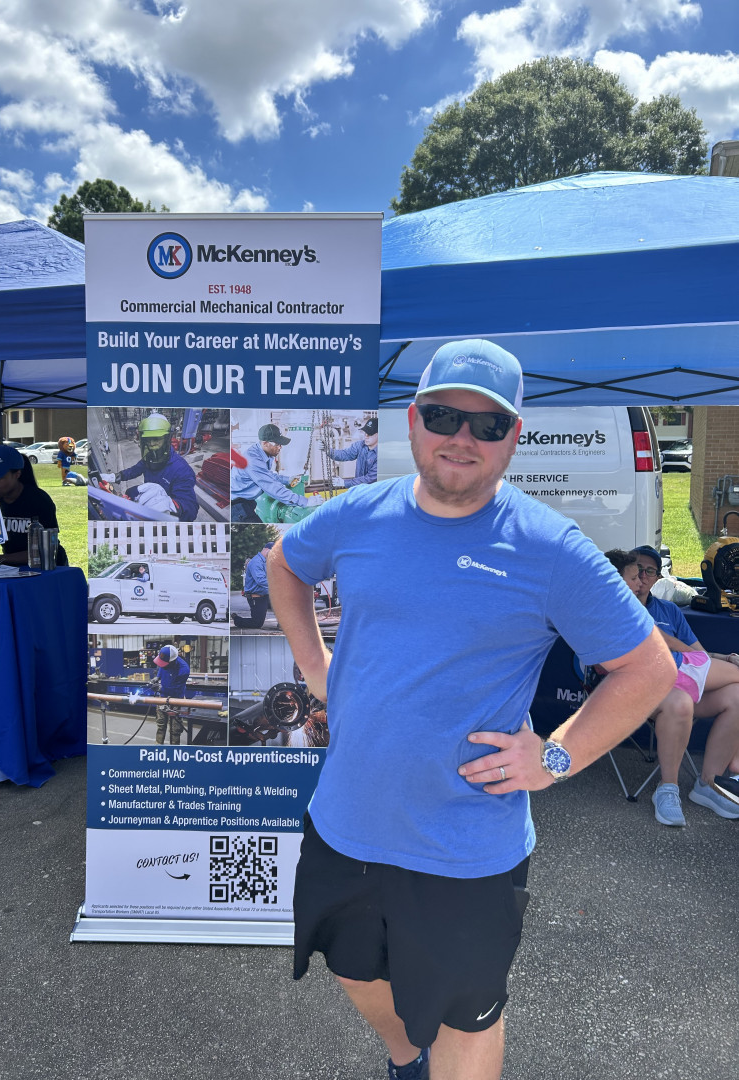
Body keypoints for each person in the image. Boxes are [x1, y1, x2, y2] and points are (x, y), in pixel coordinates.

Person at [267, 338, 676, 1080]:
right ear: (414, 421)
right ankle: (407, 1061)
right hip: (346, 819)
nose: (462, 437)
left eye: (487, 425)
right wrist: (315, 667)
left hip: (464, 843)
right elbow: (284, 562)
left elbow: (649, 668)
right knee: (353, 968)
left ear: (513, 437)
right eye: (443, 416)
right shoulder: (359, 514)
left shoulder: (549, 547)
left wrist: (556, 757)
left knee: (465, 1012)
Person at [625, 545, 739, 826]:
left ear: (657, 577)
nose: (643, 575)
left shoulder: (669, 611)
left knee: (736, 694)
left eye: (650, 570)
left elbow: (698, 655)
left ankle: (709, 783)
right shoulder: (616, 607)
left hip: (683, 677)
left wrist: (726, 658)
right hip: (637, 691)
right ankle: (668, 788)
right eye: (638, 569)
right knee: (680, 702)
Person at [0, 445, 67, 565]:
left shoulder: (39, 500)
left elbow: (47, 549)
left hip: (48, 565)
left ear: (17, 474)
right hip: (10, 566)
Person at [100, 413, 198, 521]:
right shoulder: (150, 458)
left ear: (166, 438)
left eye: (156, 439)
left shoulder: (182, 470)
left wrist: (172, 506)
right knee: (130, 492)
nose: (151, 444)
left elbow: (191, 508)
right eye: (148, 439)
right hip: (147, 505)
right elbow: (134, 470)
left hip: (164, 516)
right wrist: (116, 476)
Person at [230, 424, 323, 522]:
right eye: (277, 444)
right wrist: (305, 502)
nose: (280, 447)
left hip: (247, 501)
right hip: (237, 505)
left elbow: (267, 475)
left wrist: (287, 480)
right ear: (265, 443)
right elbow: (272, 487)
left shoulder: (262, 453)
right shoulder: (253, 460)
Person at [151, 644, 190, 744]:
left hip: (176, 699)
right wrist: (157, 677)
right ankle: (158, 746)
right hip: (162, 698)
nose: (162, 665)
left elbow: (176, 689)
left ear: (172, 661)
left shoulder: (183, 670)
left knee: (175, 729)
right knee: (161, 725)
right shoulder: (165, 661)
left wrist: (161, 688)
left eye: (165, 663)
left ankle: (174, 748)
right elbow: (161, 666)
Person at [232, 542, 274, 629]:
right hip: (256, 597)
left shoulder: (264, 562)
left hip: (265, 595)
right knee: (257, 623)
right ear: (268, 550)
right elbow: (261, 581)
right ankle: (236, 619)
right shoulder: (256, 562)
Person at [327, 417, 379, 487]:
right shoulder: (360, 445)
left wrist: (345, 483)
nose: (366, 436)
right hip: (359, 489)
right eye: (365, 433)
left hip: (374, 491)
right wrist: (328, 450)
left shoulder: (381, 455)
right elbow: (345, 454)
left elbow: (370, 479)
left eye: (370, 434)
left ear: (378, 434)